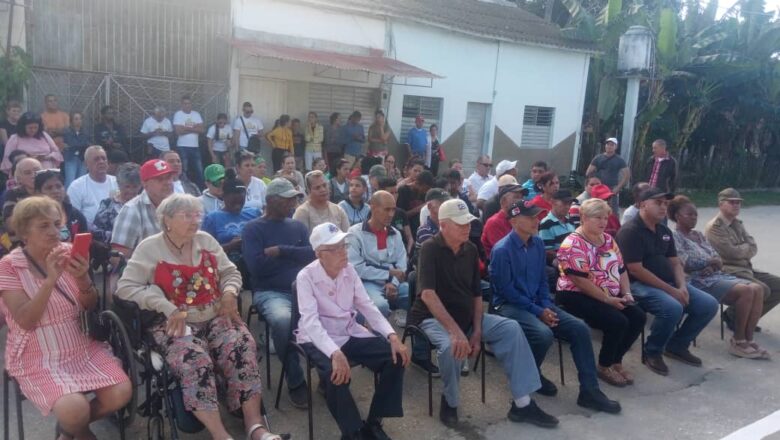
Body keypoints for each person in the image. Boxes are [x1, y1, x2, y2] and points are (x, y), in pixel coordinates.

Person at [117, 193, 282, 440]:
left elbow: (230, 273)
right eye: (187, 216)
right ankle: (220, 434)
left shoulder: (205, 240)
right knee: (194, 360)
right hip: (174, 321)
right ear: (167, 220)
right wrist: (163, 304)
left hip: (215, 313)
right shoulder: (150, 248)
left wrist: (229, 292)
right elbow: (125, 287)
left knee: (241, 345)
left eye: (197, 215)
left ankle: (255, 426)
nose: (195, 221)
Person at [409, 198, 558, 428]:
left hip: (465, 316)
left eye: (468, 222)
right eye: (460, 224)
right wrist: (456, 332)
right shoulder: (430, 248)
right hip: (431, 318)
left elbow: (476, 294)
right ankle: (450, 401)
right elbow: (428, 295)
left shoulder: (469, 249)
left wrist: (477, 332)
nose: (467, 228)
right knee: (450, 346)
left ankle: (523, 404)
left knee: (511, 328)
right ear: (443, 225)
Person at [0, 196, 131, 439]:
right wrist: (50, 280)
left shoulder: (69, 251)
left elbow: (90, 305)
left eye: (56, 224)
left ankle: (69, 430)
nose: (53, 231)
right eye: (43, 226)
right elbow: (26, 321)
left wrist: (83, 278)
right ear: (24, 232)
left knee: (121, 393)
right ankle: (80, 431)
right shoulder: (8, 266)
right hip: (37, 354)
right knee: (74, 409)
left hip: (81, 345)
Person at [490, 200, 621, 413]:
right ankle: (530, 375)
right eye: (530, 217)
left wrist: (545, 305)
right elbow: (506, 291)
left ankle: (589, 391)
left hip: (537, 303)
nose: (536, 221)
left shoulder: (537, 243)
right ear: (514, 221)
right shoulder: (502, 250)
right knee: (543, 334)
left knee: (579, 329)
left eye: (537, 216)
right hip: (509, 305)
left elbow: (542, 280)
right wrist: (539, 311)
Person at [297, 222, 409, 440]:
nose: (343, 252)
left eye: (343, 245)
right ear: (319, 254)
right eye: (335, 249)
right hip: (318, 338)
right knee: (336, 375)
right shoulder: (306, 276)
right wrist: (334, 353)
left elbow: (367, 305)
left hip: (348, 331)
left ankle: (374, 422)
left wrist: (392, 336)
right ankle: (354, 432)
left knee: (395, 357)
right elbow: (310, 322)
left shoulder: (349, 270)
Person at [616, 187, 718, 376]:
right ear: (643, 204)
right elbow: (636, 269)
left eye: (665, 203)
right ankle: (652, 352)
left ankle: (677, 345)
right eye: (658, 203)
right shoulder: (630, 231)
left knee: (709, 304)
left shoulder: (663, 230)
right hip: (637, 285)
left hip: (669, 283)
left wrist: (682, 286)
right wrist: (672, 291)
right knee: (672, 307)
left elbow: (675, 262)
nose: (663, 207)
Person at [555, 198, 646, 386]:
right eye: (598, 217)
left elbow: (621, 269)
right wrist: (607, 299)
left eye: (605, 217)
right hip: (575, 293)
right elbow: (579, 281)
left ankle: (616, 360)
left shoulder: (608, 240)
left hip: (608, 292)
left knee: (638, 316)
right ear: (583, 218)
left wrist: (627, 293)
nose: (603, 222)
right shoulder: (572, 243)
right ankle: (604, 366)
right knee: (617, 321)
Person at [242, 178, 315, 409]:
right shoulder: (253, 228)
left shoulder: (297, 226)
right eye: (287, 199)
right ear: (271, 200)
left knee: (337, 313)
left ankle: (329, 373)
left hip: (304, 289)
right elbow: (256, 268)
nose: (292, 203)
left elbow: (312, 255)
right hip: (271, 291)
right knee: (283, 321)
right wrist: (295, 257)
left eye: (294, 199)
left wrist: (281, 251)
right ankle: (295, 379)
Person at [669, 195, 768, 358]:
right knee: (746, 291)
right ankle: (738, 341)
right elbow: (684, 263)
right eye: (689, 214)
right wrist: (709, 261)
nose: (694, 217)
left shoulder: (699, 235)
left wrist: (712, 264)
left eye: (696, 214)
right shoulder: (675, 236)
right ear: (677, 216)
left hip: (715, 275)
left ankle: (748, 339)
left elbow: (718, 258)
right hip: (696, 280)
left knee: (758, 288)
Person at [705, 188, 780, 333]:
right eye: (732, 202)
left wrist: (742, 250)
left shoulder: (737, 223)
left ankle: (745, 318)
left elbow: (753, 247)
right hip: (728, 270)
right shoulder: (715, 227)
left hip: (745, 268)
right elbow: (731, 253)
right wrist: (745, 248)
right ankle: (736, 318)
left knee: (778, 285)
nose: (736, 205)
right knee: (763, 289)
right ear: (721, 204)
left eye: (738, 202)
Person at [347, 191, 409, 326]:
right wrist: (388, 274)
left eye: (393, 209)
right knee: (380, 306)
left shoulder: (395, 233)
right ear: (373, 208)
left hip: (394, 282)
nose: (391, 214)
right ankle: (378, 336)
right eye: (387, 209)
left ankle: (403, 322)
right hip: (367, 283)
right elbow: (356, 268)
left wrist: (393, 283)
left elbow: (402, 263)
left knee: (415, 294)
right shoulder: (354, 233)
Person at [111, 159, 175, 259]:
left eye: (169, 177)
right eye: (160, 179)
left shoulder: (181, 206)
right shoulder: (131, 210)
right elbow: (118, 257)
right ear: (145, 184)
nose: (167, 183)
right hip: (146, 267)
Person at [202, 170, 261, 263]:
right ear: (223, 197)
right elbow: (205, 251)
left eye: (240, 202)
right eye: (233, 202)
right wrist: (230, 246)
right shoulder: (213, 218)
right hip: (226, 266)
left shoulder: (254, 213)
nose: (237, 206)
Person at [92, 163, 141, 246]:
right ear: (118, 184)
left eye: (135, 187)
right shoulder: (107, 205)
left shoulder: (144, 204)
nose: (131, 191)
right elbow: (96, 232)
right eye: (127, 186)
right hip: (113, 250)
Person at [67, 146, 118, 225]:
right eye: (96, 159)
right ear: (86, 164)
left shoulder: (117, 182)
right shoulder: (76, 187)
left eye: (104, 158)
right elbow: (73, 217)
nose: (101, 162)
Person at [34, 169, 88, 242]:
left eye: (59, 186)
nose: (55, 191)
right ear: (38, 193)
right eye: (49, 188)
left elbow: (84, 242)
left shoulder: (76, 215)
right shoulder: (33, 216)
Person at [2, 158, 42, 251]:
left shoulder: (52, 190)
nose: (33, 175)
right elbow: (11, 225)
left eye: (37, 171)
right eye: (27, 173)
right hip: (21, 246)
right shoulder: (13, 194)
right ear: (19, 179)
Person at [481, 180, 528, 259]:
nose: (521, 201)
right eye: (516, 197)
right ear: (503, 202)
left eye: (522, 197)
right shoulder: (494, 223)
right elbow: (505, 252)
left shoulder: (521, 218)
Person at [586, 137, 629, 213]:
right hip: (599, 189)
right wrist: (592, 185)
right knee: (596, 209)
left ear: (616, 147)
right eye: (608, 144)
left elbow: (627, 175)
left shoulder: (620, 160)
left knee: (612, 211)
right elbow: (588, 172)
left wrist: (618, 188)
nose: (609, 146)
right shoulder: (598, 158)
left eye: (612, 145)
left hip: (612, 190)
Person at [172, 95, 205, 188]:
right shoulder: (178, 114)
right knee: (184, 170)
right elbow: (178, 131)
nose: (187, 105)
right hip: (182, 146)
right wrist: (194, 128)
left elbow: (202, 130)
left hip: (195, 146)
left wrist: (186, 128)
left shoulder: (196, 114)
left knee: (199, 170)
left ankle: (200, 189)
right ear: (181, 104)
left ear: (191, 104)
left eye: (189, 103)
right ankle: (183, 188)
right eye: (185, 104)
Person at [377, 177, 414, 256]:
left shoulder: (401, 213)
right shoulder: (374, 213)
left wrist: (407, 253)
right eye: (391, 193)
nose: (394, 196)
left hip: (402, 253)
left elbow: (409, 237)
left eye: (396, 192)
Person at [538, 190, 576, 261]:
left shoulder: (570, 220)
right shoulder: (546, 224)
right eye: (564, 203)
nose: (568, 206)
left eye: (570, 203)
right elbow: (547, 252)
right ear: (553, 202)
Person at [397, 169, 434, 234]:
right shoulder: (403, 191)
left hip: (419, 229)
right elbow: (400, 216)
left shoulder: (426, 193)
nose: (426, 191)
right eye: (425, 188)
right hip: (406, 229)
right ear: (417, 183)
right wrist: (419, 208)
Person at [61, 111, 91, 187]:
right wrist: (80, 145)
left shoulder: (85, 131)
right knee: (70, 181)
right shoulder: (67, 131)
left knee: (82, 181)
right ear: (71, 121)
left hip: (82, 158)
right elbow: (71, 143)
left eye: (80, 119)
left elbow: (86, 144)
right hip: (70, 157)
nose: (79, 121)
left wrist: (76, 145)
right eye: (76, 119)